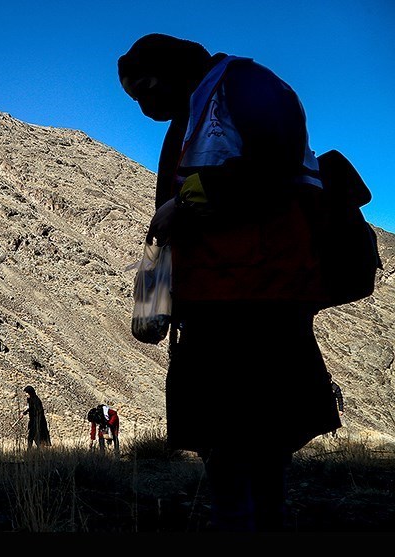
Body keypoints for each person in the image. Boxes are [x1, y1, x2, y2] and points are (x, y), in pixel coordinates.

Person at [117, 34, 341, 532]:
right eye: (135, 99)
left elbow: (277, 161)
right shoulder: (193, 112)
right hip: (216, 300)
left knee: (249, 435)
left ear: (174, 70)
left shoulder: (246, 86)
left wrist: (187, 202)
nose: (145, 107)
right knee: (228, 437)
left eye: (148, 89)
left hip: (258, 297)